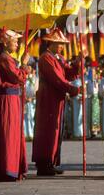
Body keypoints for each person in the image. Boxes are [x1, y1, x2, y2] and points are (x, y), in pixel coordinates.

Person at [32, 28, 80, 176]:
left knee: (56, 130)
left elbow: (68, 74)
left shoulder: (58, 58)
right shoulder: (45, 58)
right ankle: (44, 163)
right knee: (47, 130)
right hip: (48, 99)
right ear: (51, 43)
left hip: (57, 99)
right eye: (59, 43)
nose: (62, 47)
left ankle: (51, 161)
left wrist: (78, 64)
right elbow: (57, 79)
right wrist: (75, 90)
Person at [0, 30, 30, 181]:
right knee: (8, 133)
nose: (18, 44)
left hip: (11, 99)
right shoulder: (4, 58)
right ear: (6, 43)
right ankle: (7, 168)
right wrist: (24, 66)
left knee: (12, 133)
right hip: (7, 100)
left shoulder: (7, 58)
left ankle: (11, 166)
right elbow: (18, 77)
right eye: (15, 41)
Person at [24, 64, 38, 140]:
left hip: (32, 100)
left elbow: (37, 90)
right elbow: (21, 89)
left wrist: (32, 98)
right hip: (25, 100)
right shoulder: (24, 78)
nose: (28, 69)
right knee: (25, 117)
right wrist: (25, 98)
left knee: (32, 117)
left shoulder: (35, 79)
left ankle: (32, 134)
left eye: (29, 68)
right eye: (27, 68)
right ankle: (26, 134)